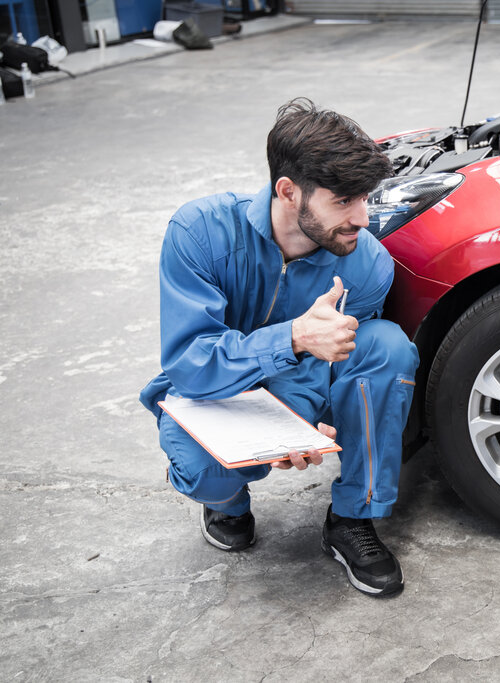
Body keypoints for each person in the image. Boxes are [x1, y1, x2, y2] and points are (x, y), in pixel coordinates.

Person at [140, 98, 418, 598]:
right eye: (343, 201)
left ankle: (353, 517)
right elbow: (190, 363)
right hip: (210, 391)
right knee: (206, 472)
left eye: (366, 198)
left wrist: (299, 426)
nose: (362, 217)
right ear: (288, 191)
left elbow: (332, 365)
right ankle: (225, 503)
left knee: (386, 347)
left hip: (298, 381)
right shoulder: (199, 233)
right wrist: (292, 337)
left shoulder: (366, 264)